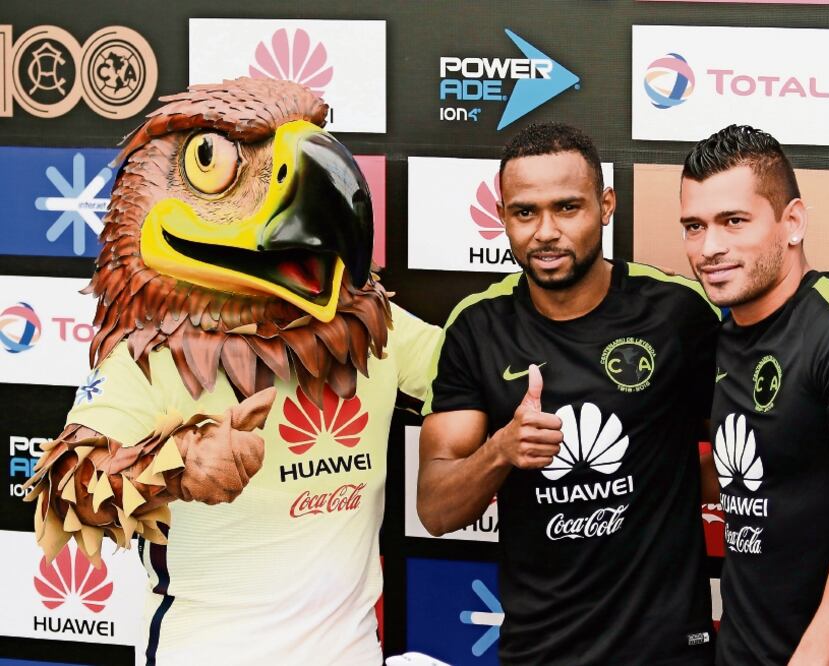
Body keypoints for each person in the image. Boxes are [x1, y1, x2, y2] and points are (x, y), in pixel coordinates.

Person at [25, 78, 443, 666]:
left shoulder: (376, 328)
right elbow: (65, 491)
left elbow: (474, 371)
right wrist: (172, 464)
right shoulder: (146, 359)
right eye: (208, 162)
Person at [417, 122, 720, 665]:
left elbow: (744, 451)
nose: (545, 232)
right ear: (502, 216)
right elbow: (436, 511)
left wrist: (666, 477)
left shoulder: (678, 313)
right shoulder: (476, 328)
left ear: (606, 206)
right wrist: (501, 450)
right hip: (541, 649)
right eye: (524, 212)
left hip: (668, 648)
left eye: (567, 208)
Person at [679, 124, 829, 665]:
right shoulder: (717, 339)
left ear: (793, 222)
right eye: (694, 226)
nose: (710, 247)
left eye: (733, 221)